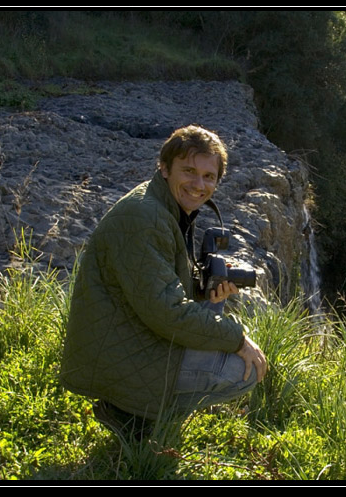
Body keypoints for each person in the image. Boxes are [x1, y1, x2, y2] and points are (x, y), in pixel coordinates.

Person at [60, 125, 267, 439]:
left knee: (216, 302)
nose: (199, 185)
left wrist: (204, 293)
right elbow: (167, 313)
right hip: (121, 352)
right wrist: (237, 339)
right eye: (188, 171)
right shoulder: (144, 218)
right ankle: (131, 415)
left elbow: (157, 289)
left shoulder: (166, 205)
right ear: (165, 168)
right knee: (241, 371)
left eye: (209, 177)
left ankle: (151, 410)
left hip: (131, 331)